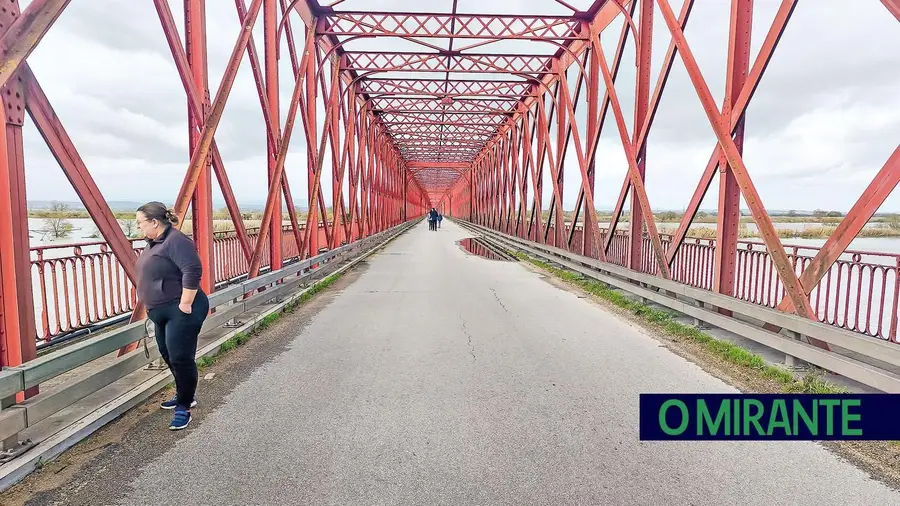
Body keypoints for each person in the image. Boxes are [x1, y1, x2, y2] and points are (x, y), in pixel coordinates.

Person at [135, 202, 209, 431]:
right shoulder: (154, 243)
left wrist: (185, 304)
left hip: (181, 309)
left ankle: (184, 407)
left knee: (180, 357)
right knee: (168, 353)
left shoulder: (176, 240)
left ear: (155, 222)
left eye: (140, 223)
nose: (138, 228)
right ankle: (184, 394)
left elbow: (193, 270)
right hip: (161, 311)